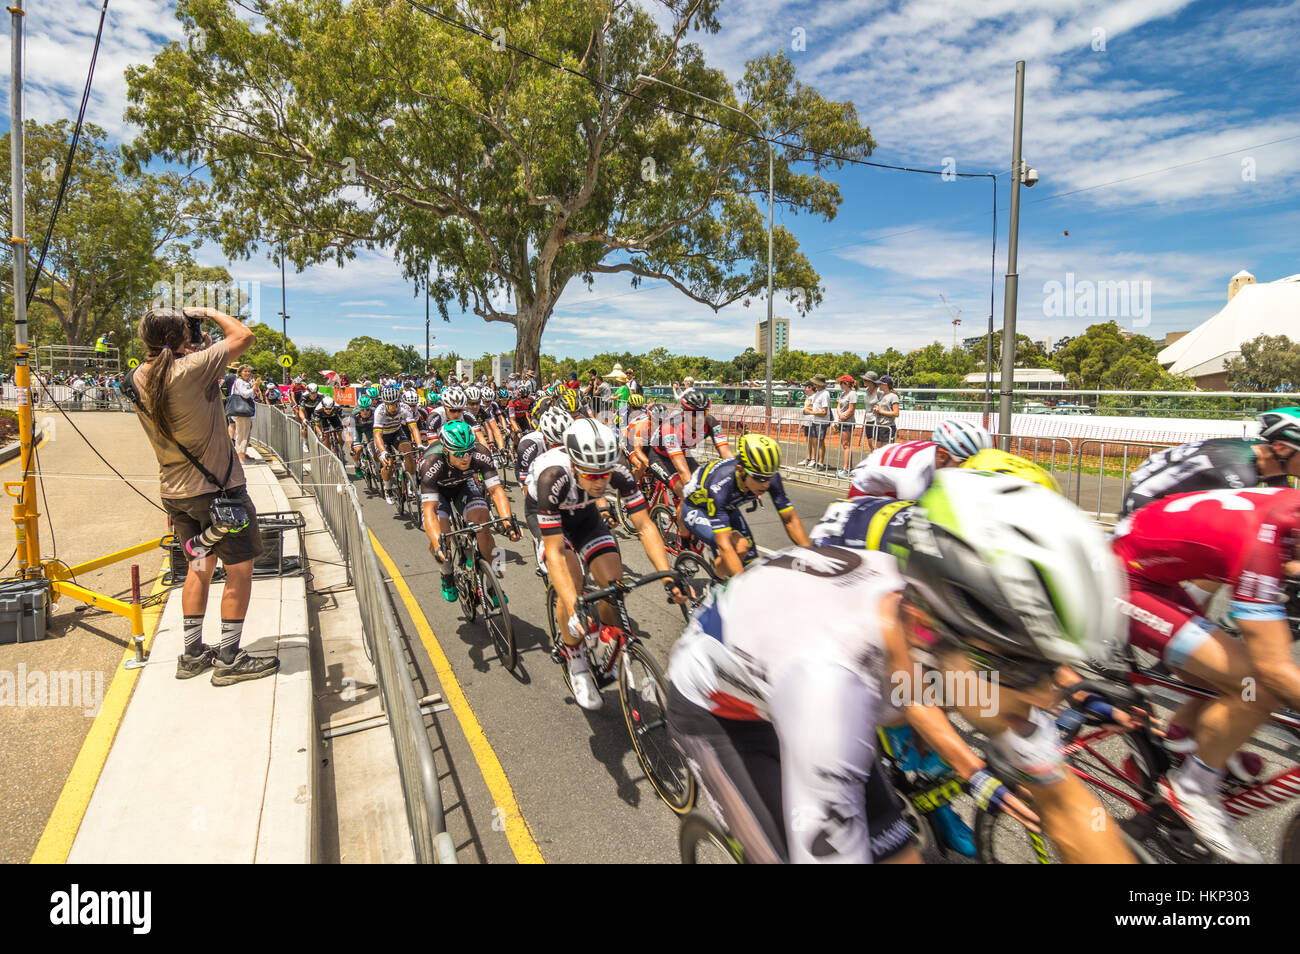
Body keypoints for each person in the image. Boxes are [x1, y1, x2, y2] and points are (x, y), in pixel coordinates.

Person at [668, 470, 1135, 864]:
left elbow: (1071, 809)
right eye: (1028, 671)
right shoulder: (831, 684)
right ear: (929, 627)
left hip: (819, 657)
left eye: (1056, 668)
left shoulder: (960, 649)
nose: (1049, 697)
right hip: (724, 712)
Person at [1110, 486, 1300, 863]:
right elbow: (1274, 667)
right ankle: (1194, 788)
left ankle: (1190, 742)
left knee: (1233, 679)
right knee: (1257, 686)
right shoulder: (1263, 545)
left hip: (1158, 570)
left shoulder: (1289, 514)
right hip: (1123, 579)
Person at [129, 307, 277, 686]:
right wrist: (206, 312)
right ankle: (229, 658)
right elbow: (243, 336)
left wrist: (192, 343)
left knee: (198, 568)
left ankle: (192, 654)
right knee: (239, 571)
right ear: (183, 339)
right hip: (220, 493)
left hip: (175, 494)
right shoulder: (191, 368)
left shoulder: (136, 377)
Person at [530, 418, 688, 709]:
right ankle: (575, 660)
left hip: (584, 513)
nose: (602, 482)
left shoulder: (616, 471)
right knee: (572, 585)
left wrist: (668, 576)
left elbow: (644, 526)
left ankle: (605, 637)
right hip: (551, 519)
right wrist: (572, 601)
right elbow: (554, 553)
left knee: (614, 586)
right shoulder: (553, 476)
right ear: (575, 464)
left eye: (605, 474)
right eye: (593, 476)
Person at [1120, 408, 1300, 516]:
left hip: (1160, 498)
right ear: (1282, 447)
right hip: (1142, 505)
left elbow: (1288, 509)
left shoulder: (1266, 455)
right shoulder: (1241, 473)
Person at [681, 434, 810, 580]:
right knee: (740, 546)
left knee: (753, 565)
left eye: (769, 477)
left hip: (728, 507)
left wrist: (812, 558)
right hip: (697, 508)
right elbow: (725, 546)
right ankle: (715, 589)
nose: (766, 484)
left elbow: (790, 520)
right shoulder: (720, 485)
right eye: (759, 478)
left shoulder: (767, 476)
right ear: (740, 469)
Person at [420, 420, 521, 603]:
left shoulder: (480, 453)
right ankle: (446, 573)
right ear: (445, 451)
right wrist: (438, 544)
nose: (465, 457)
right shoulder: (431, 463)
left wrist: (507, 521)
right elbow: (429, 511)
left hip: (464, 485)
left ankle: (492, 585)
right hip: (438, 493)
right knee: (442, 536)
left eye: (468, 451)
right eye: (458, 453)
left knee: (484, 526)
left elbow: (496, 491)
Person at [847, 418, 993, 500]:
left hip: (892, 477)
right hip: (866, 491)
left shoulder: (940, 452)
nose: (969, 468)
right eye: (964, 463)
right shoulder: (915, 475)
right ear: (942, 456)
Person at [226, 364, 258, 463]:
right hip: (241, 413)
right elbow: (245, 394)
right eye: (245, 371)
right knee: (242, 434)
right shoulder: (239, 382)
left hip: (245, 413)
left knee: (245, 434)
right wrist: (253, 388)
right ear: (240, 373)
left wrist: (253, 388)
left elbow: (251, 396)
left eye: (249, 371)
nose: (247, 373)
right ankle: (241, 456)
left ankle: (243, 453)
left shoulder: (245, 382)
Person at [833, 374, 858, 476]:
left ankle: (846, 468)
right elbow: (838, 406)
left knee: (846, 445)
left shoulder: (852, 394)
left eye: (842, 383)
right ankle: (848, 467)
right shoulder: (843, 394)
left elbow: (851, 409)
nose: (840, 384)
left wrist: (843, 417)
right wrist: (840, 415)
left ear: (846, 383)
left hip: (847, 422)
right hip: (843, 421)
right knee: (845, 445)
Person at [870, 375, 899, 448]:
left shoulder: (893, 396)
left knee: (886, 450)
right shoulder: (882, 395)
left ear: (885, 384)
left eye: (880, 384)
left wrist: (880, 411)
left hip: (887, 427)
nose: (879, 385)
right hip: (879, 425)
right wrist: (876, 411)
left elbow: (896, 413)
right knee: (878, 449)